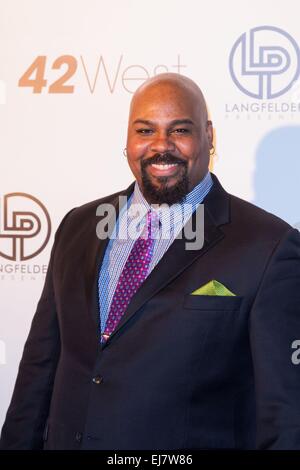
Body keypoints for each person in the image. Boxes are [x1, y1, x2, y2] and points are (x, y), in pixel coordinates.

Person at [1, 73, 300, 450]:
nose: (161, 146)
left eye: (179, 130)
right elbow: (39, 370)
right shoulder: (79, 225)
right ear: (127, 140)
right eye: (145, 131)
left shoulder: (268, 246)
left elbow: (286, 415)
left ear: (209, 135)